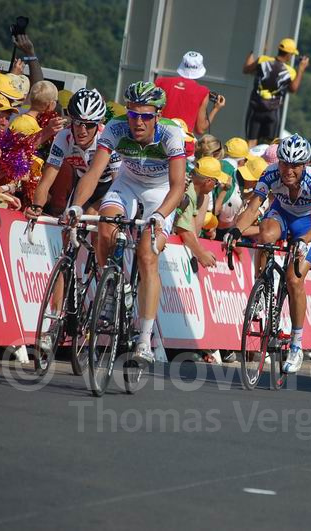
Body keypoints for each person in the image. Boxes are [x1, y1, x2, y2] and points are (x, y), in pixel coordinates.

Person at [67, 81, 186, 365]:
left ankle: (144, 338)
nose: (138, 122)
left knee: (147, 254)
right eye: (133, 115)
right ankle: (110, 289)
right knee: (105, 226)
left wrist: (160, 215)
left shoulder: (171, 134)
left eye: (145, 116)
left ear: (157, 115)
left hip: (161, 193)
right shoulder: (116, 128)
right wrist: (76, 205)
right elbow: (95, 172)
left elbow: (179, 185)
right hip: (127, 185)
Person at [223, 133, 311, 374]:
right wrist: (236, 230)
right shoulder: (269, 173)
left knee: (294, 280)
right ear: (278, 161)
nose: (288, 170)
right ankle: (264, 284)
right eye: (284, 163)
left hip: (306, 225)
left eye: (295, 165)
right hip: (281, 215)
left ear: (305, 165)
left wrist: (303, 241)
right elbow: (253, 207)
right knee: (266, 236)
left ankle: (297, 345)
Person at [26, 89, 118, 219]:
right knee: (68, 223)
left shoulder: (107, 138)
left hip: (110, 186)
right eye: (78, 123)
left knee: (92, 215)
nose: (82, 131)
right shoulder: (63, 137)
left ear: (98, 123)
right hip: (83, 184)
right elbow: (46, 181)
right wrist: (36, 207)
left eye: (90, 125)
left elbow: (118, 182)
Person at [242, 38, 309, 146]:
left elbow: (246, 69)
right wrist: (301, 69)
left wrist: (252, 51)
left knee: (251, 141)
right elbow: (293, 89)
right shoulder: (290, 71)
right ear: (289, 54)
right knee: (271, 144)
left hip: (256, 107)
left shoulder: (262, 60)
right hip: (272, 112)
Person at [175, 157, 229, 268]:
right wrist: (200, 253)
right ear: (208, 181)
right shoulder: (188, 193)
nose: (215, 187)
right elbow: (183, 230)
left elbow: (191, 227)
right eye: (216, 182)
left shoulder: (193, 192)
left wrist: (199, 249)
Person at [155, 51, 225, 135]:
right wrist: (216, 108)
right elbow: (200, 129)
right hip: (183, 144)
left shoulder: (160, 82)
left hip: (157, 140)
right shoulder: (202, 92)